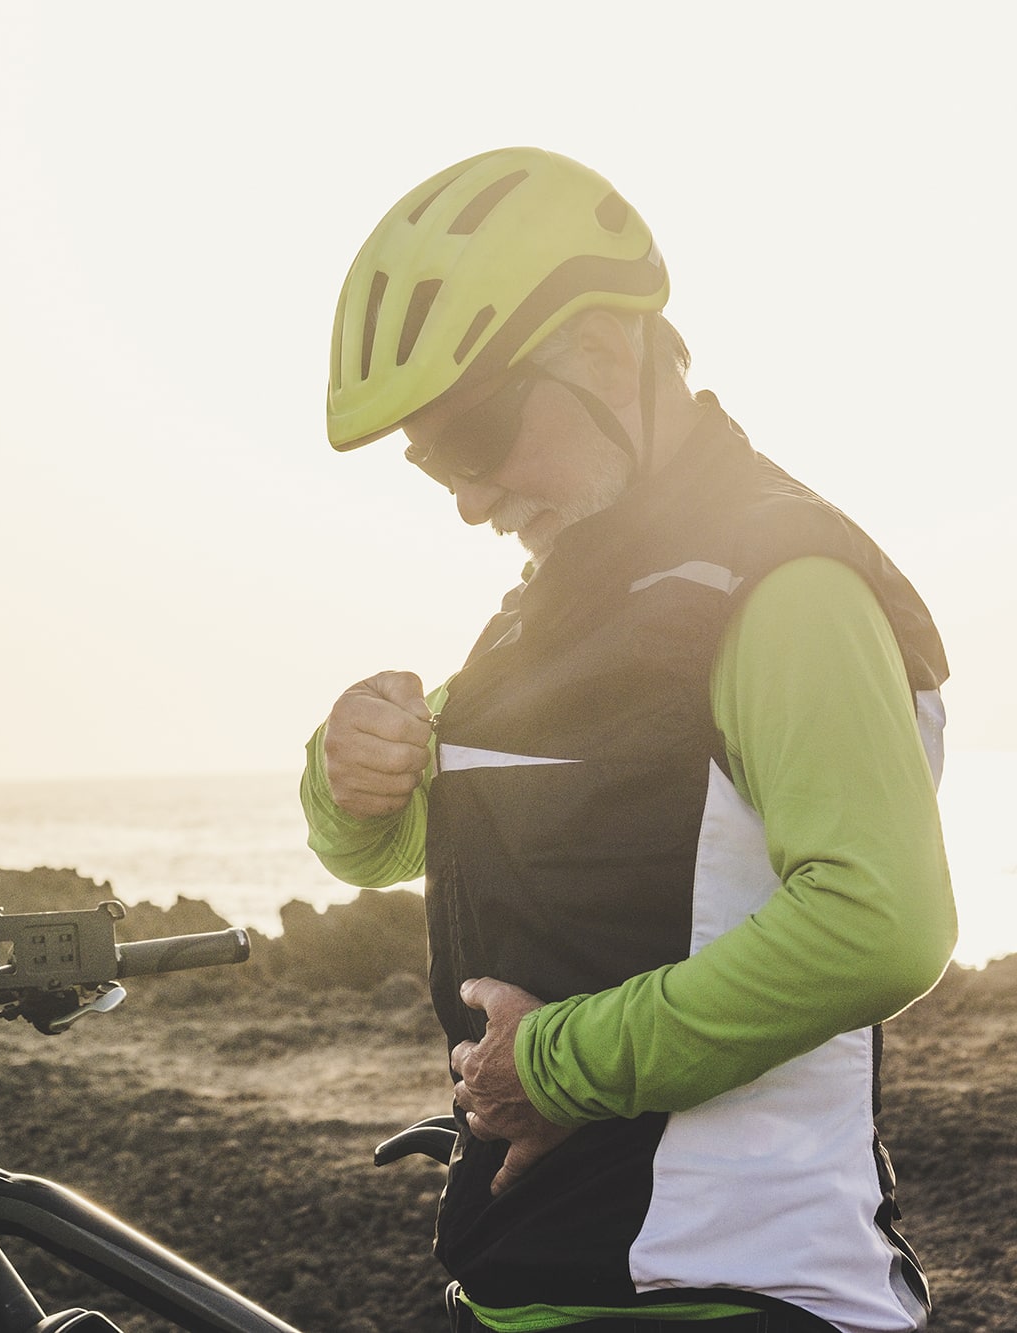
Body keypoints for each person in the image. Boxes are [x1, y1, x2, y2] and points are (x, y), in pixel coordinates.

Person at [301, 149, 954, 1333]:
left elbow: (880, 922)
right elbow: (421, 845)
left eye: (475, 438)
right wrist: (352, 778)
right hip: (530, 1283)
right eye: (431, 462)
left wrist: (550, 1064)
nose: (465, 498)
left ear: (605, 354)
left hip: (733, 1290)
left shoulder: (784, 583)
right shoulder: (564, 596)